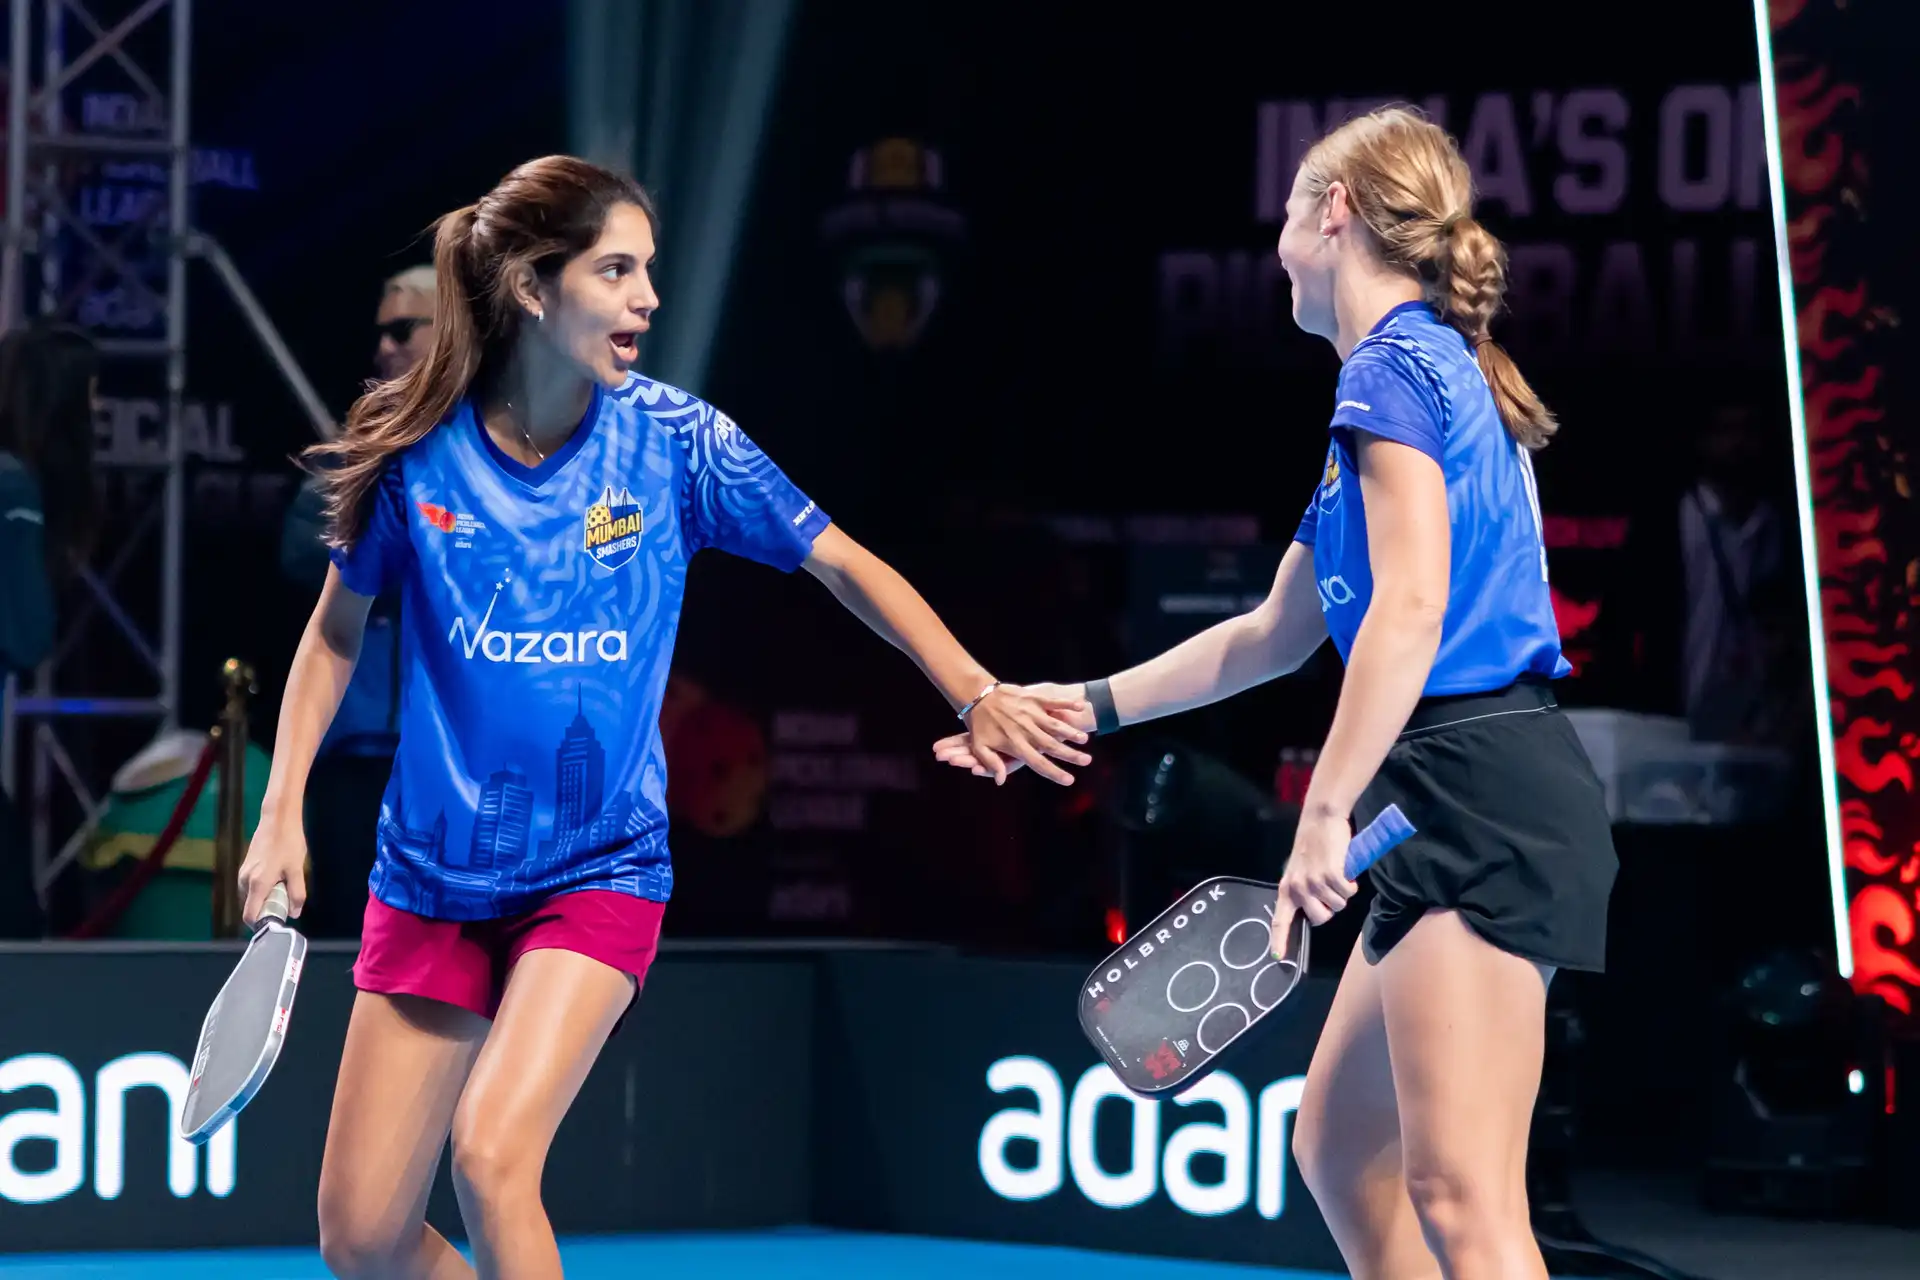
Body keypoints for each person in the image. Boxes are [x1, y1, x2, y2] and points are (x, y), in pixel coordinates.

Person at [237, 155, 1090, 1280]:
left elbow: (841, 561)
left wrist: (975, 687)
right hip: (432, 874)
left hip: (596, 869)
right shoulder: (417, 457)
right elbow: (334, 634)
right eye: (616, 270)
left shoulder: (676, 443)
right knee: (361, 1238)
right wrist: (280, 811)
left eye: (649, 269)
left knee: (491, 1155)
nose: (647, 297)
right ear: (533, 288)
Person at [936, 106, 1617, 1280]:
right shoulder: (1408, 382)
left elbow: (1411, 608)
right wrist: (1081, 705)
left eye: (1290, 214)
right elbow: (1272, 634)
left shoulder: (1392, 369)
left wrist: (1323, 810)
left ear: (1334, 212)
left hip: (1482, 791)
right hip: (1444, 791)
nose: (1277, 250)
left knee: (1463, 1191)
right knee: (1343, 1150)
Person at [278, 266, 437, 937]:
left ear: (451, 328)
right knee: (357, 933)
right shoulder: (358, 451)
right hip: (362, 750)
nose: (384, 349)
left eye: (402, 330)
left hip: (467, 750)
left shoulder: (504, 442)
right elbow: (299, 553)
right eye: (380, 334)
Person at [0, 322, 100, 938]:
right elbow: (28, 636)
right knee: (16, 929)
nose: (99, 410)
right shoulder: (14, 486)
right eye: (91, 392)